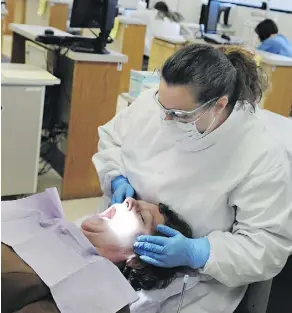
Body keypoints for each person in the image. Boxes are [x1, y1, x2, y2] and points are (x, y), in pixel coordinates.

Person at [92, 44, 292, 313]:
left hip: (196, 283)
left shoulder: (259, 154)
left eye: (179, 115)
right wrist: (116, 176)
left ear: (219, 105)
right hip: (120, 258)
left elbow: (267, 244)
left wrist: (200, 252)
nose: (164, 118)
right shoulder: (160, 103)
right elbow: (112, 138)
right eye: (161, 106)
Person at [1, 194, 193, 313]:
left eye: (142, 217)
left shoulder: (101, 299)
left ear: (136, 261)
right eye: (134, 199)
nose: (129, 201)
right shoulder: (46, 220)